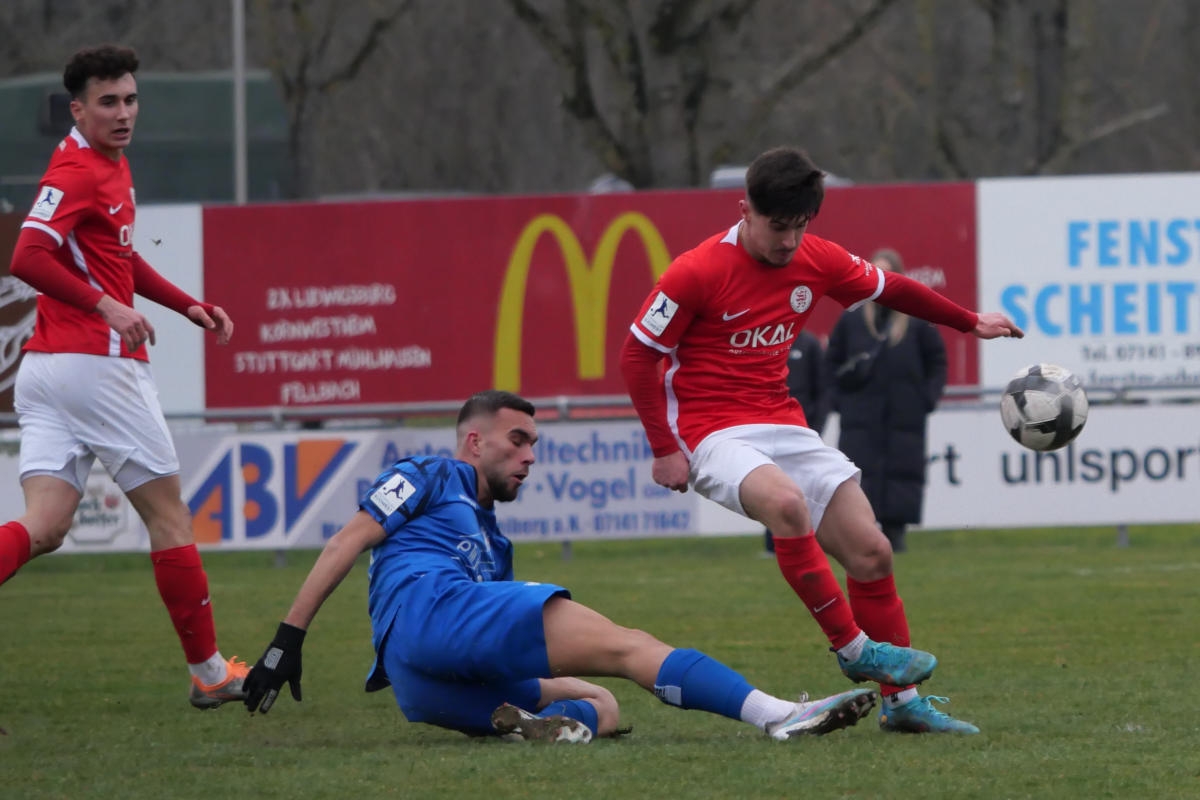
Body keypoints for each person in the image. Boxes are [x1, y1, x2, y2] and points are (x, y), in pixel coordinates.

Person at [619, 146, 1024, 734]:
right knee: (785, 506)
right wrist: (663, 447)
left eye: (800, 226)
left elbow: (893, 290)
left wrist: (970, 320)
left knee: (872, 551)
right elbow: (638, 355)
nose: (788, 241)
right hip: (710, 431)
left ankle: (902, 702)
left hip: (782, 422)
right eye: (777, 226)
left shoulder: (817, 259)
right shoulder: (695, 271)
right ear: (745, 210)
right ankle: (853, 649)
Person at [241, 390, 878, 742]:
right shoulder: (431, 475)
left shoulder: (495, 543)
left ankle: (537, 732)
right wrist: (286, 640)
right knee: (631, 649)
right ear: (473, 441)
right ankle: (777, 715)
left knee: (600, 704)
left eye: (535, 445)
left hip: (421, 681)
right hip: (432, 615)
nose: (529, 456)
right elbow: (346, 541)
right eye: (516, 441)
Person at [0, 44, 246, 709]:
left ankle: (208, 669)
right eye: (108, 101)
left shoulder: (110, 166)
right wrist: (105, 306)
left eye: (130, 99)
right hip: (95, 367)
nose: (124, 111)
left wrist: (185, 304)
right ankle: (209, 672)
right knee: (169, 518)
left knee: (44, 526)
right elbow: (27, 255)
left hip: (48, 372)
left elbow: (119, 261)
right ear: (77, 109)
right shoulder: (78, 170)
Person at [827, 248, 947, 554]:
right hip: (860, 420)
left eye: (888, 273)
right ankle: (861, 534)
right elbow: (832, 363)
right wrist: (840, 403)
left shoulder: (918, 320)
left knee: (901, 473)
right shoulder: (852, 318)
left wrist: (926, 400)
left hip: (904, 418)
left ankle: (897, 534)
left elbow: (937, 362)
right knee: (859, 476)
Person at [763, 329, 830, 554]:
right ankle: (773, 543)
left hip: (801, 432)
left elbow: (822, 391)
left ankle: (804, 541)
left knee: (803, 488)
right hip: (767, 430)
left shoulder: (809, 344)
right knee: (771, 488)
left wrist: (815, 429)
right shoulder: (761, 342)